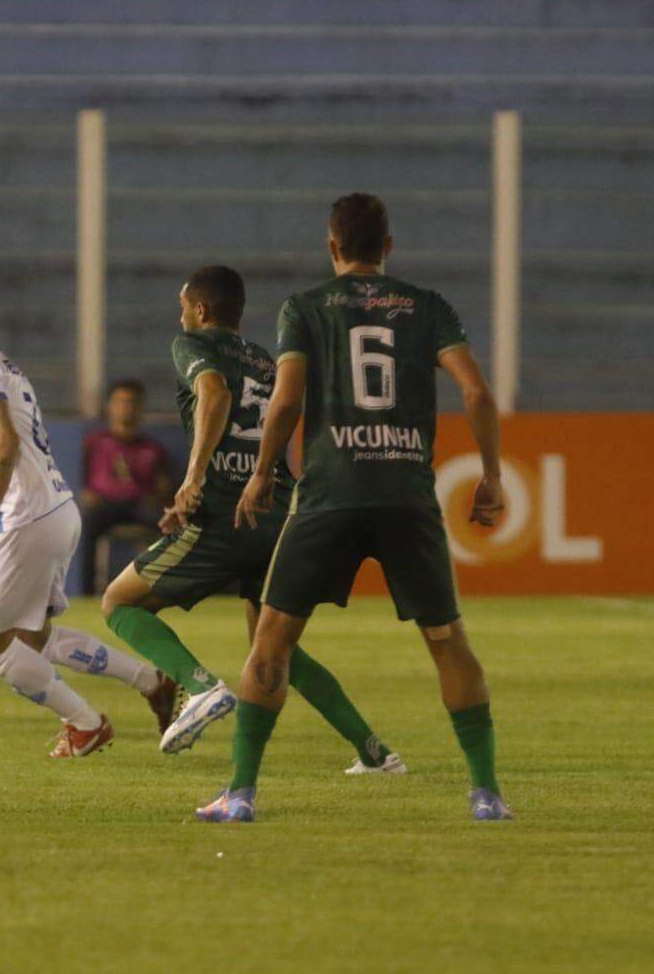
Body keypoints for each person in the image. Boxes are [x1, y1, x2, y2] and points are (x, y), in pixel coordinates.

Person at [197, 193, 510, 823]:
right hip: (406, 496)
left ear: (332, 245)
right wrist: (491, 476)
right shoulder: (428, 307)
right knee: (447, 641)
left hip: (330, 495)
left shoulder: (305, 308)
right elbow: (475, 390)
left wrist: (261, 473)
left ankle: (241, 794)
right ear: (388, 247)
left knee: (272, 641)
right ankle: (486, 795)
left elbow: (285, 403)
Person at [101, 265, 401, 774]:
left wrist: (194, 477)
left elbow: (214, 394)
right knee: (274, 647)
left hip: (223, 514)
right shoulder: (265, 360)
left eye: (182, 306)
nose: (180, 315)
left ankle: (199, 688)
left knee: (119, 603)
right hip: (277, 514)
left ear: (198, 309)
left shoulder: (191, 344)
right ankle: (373, 751)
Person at [0, 270, 179, 758]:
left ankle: (86, 723)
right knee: (33, 637)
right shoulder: (1, 363)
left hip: (25, 515)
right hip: (56, 509)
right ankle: (152, 682)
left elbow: (2, 439)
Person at [79, 380, 172, 594]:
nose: (126, 407)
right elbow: (83, 479)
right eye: (120, 402)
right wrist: (88, 494)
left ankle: (160, 590)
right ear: (109, 406)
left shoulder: (153, 448)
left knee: (168, 525)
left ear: (140, 408)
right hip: (105, 506)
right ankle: (87, 592)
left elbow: (163, 485)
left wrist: (160, 493)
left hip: (140, 506)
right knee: (87, 522)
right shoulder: (94, 443)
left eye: (132, 402)